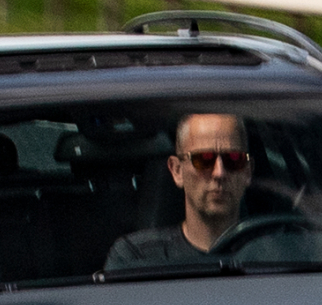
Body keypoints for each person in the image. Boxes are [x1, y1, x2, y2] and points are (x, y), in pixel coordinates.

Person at [103, 113, 252, 271]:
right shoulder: (136, 258)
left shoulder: (276, 253)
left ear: (247, 172)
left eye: (234, 159)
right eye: (203, 159)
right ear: (177, 171)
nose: (219, 173)